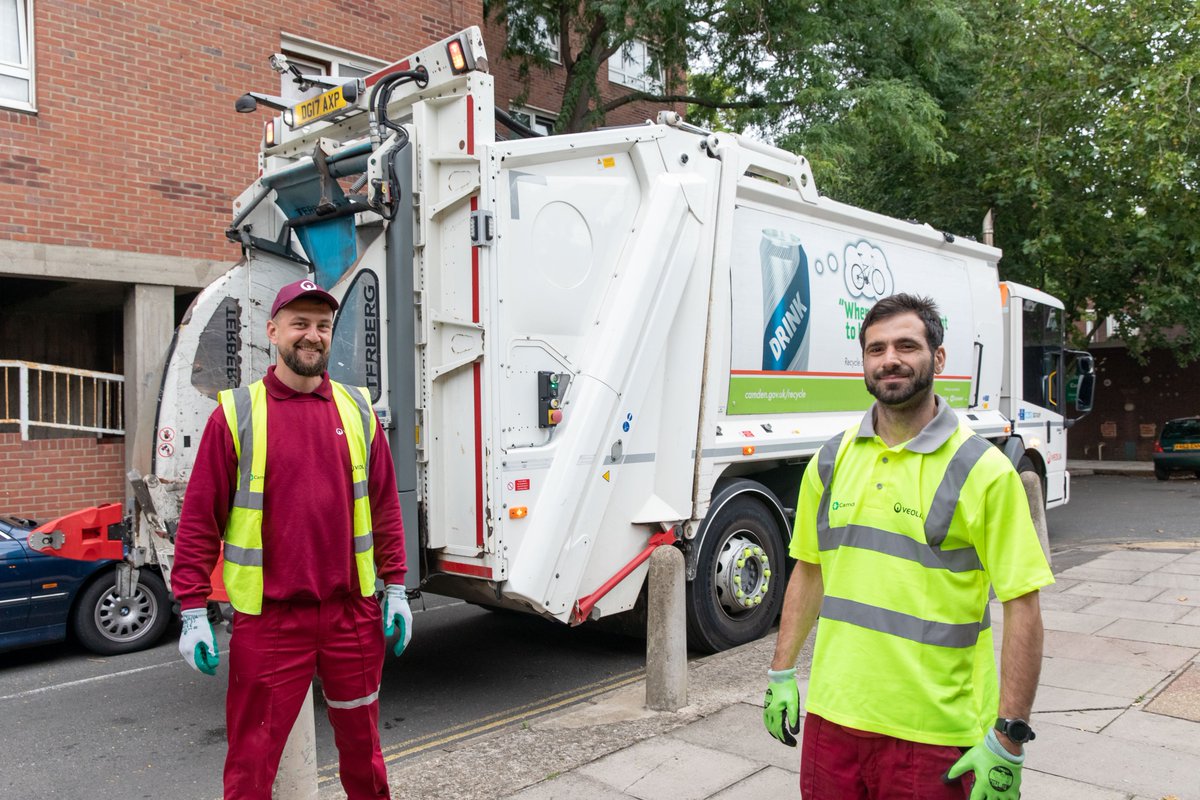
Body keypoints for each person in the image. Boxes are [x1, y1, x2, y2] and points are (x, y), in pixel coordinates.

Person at [763, 293, 1052, 800]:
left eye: (906, 345)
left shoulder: (983, 472)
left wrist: (1009, 738)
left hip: (936, 734)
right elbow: (810, 571)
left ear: (937, 359)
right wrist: (781, 671)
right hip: (834, 719)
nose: (890, 359)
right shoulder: (830, 462)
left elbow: (1023, 607)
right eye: (876, 349)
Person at [171, 279, 412, 800]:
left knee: (365, 756)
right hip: (272, 619)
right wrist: (192, 609)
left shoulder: (359, 411)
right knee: (251, 765)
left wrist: (396, 586)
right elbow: (199, 521)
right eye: (300, 324)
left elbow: (385, 506)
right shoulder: (236, 414)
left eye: (322, 326)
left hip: (352, 614)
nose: (312, 335)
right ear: (273, 331)